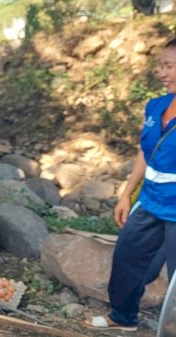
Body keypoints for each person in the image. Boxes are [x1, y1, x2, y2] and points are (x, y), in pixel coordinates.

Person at [83, 37, 176, 332]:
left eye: (169, 66)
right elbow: (146, 153)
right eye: (161, 65)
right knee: (127, 257)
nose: (162, 73)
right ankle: (123, 317)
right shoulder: (156, 106)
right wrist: (126, 194)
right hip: (149, 202)